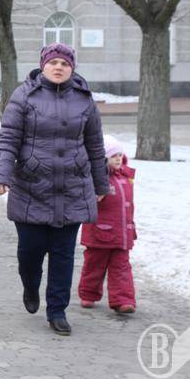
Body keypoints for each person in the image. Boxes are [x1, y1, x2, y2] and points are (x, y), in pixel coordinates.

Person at [0, 42, 109, 336]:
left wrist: (100, 182)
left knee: (63, 255)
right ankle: (30, 286)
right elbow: (8, 139)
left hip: (72, 189)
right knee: (29, 252)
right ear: (43, 65)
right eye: (53, 62)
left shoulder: (84, 99)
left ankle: (57, 311)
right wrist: (1, 175)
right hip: (32, 188)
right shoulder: (24, 96)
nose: (59, 67)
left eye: (65, 64)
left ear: (72, 68)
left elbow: (95, 145)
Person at [78, 134, 137, 314]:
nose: (118, 159)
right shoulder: (97, 179)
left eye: (120, 155)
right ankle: (88, 294)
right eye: (113, 156)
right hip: (99, 234)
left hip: (122, 233)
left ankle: (123, 300)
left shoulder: (125, 177)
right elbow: (87, 199)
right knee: (94, 266)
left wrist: (131, 226)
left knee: (122, 268)